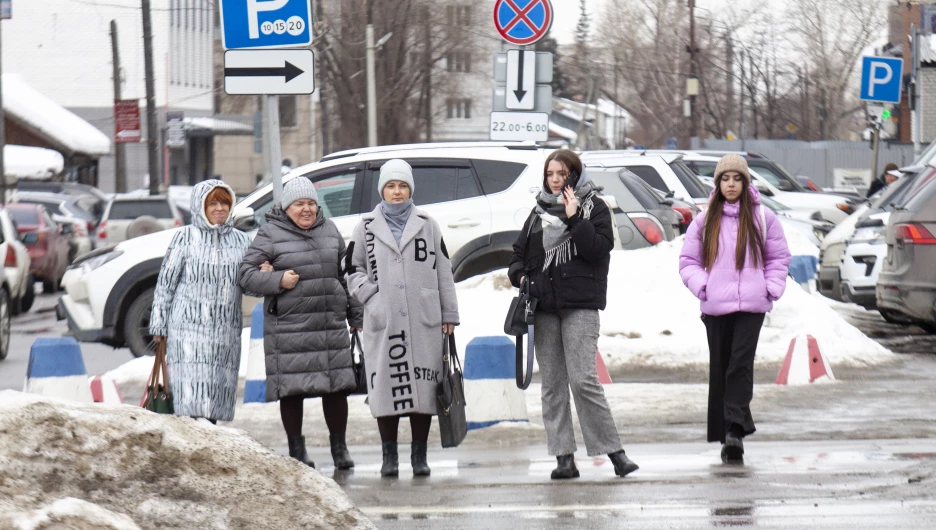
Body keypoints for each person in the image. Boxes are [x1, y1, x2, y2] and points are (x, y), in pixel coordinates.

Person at [507, 150, 639, 480]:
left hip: (580, 306)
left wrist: (574, 218)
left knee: (583, 380)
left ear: (574, 175)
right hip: (545, 308)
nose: (555, 179)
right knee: (552, 385)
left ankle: (615, 453)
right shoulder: (536, 215)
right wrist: (523, 278)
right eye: (550, 173)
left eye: (562, 173)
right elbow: (516, 258)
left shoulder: (594, 208)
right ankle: (563, 457)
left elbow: (598, 250)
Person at [344, 159, 459, 478]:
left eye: (402, 186)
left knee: (424, 389)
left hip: (425, 319)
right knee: (386, 388)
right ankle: (389, 456)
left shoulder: (428, 224)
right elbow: (353, 270)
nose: (397, 192)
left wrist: (449, 313)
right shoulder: (365, 227)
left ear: (410, 189)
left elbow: (444, 271)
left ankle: (419, 457)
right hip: (384, 321)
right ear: (382, 189)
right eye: (391, 186)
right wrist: (372, 298)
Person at [239, 177, 363, 470]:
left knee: (335, 390)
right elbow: (245, 275)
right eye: (299, 204)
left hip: (329, 324)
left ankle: (339, 449)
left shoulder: (330, 230)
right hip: (289, 328)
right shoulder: (270, 234)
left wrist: (355, 317)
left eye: (310, 203)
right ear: (286, 207)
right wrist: (277, 279)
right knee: (292, 391)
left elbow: (347, 275)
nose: (306, 210)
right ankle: (297, 450)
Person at [679, 154, 792, 463]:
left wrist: (771, 287)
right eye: (725, 178)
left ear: (745, 182)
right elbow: (688, 262)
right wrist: (703, 286)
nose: (731, 184)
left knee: (740, 365)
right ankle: (727, 430)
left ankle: (735, 434)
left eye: (737, 178)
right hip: (716, 305)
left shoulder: (763, 217)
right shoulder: (705, 220)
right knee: (722, 366)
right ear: (718, 183)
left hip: (752, 306)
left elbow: (779, 257)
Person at [150, 180, 251, 424]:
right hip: (187, 329)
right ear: (200, 206)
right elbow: (165, 284)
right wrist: (159, 326)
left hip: (225, 333)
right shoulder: (185, 238)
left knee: (214, 393)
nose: (219, 209)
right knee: (189, 395)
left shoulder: (241, 241)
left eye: (224, 203)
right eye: (213, 203)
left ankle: (207, 447)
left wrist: (265, 273)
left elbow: (249, 283)